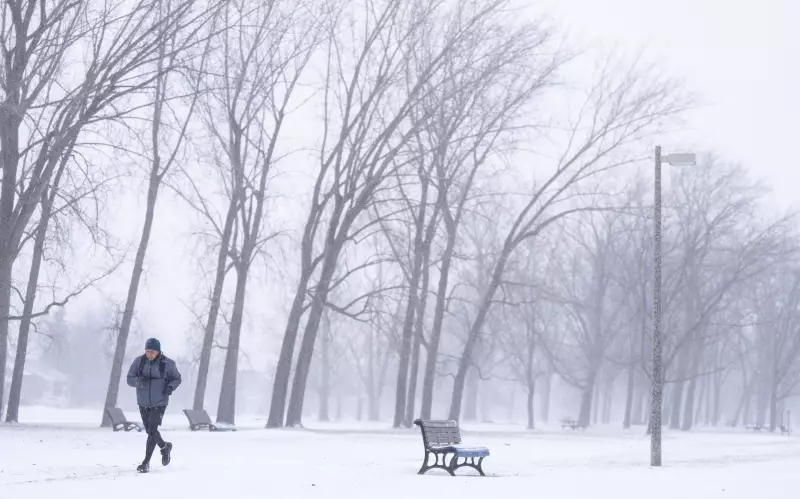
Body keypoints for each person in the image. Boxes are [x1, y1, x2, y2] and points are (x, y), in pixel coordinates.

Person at [126, 338, 182, 473]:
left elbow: (177, 378)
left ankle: (146, 462)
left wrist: (170, 387)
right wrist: (138, 381)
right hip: (143, 402)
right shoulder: (138, 362)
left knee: (151, 431)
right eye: (147, 351)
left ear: (158, 351)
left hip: (160, 402)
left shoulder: (168, 364)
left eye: (152, 352)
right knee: (150, 430)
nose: (149, 354)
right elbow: (129, 378)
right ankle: (164, 447)